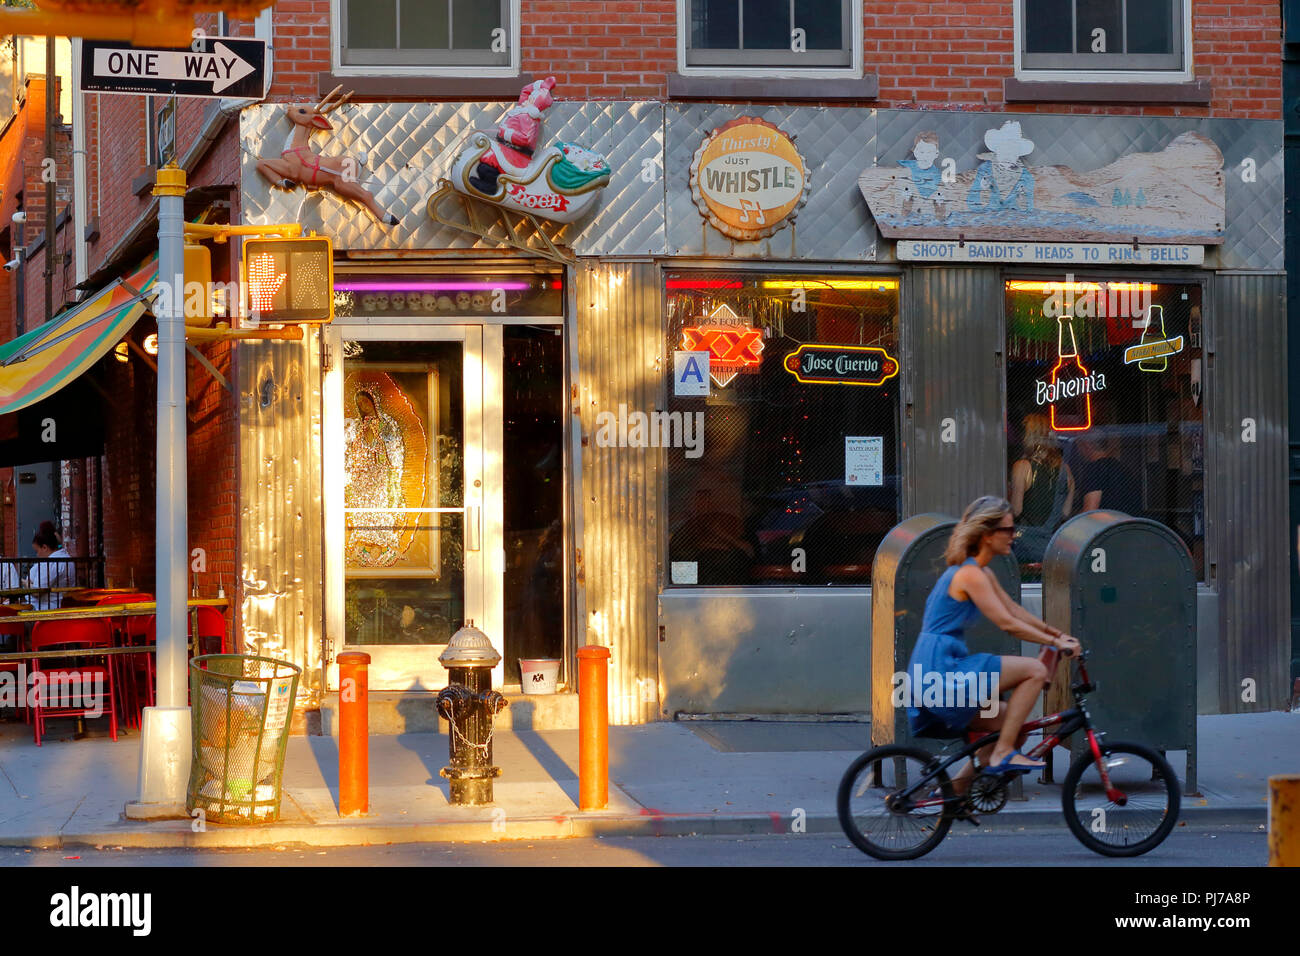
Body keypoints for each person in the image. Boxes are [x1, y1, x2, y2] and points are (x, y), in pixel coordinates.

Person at [907, 496, 1081, 793]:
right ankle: (1000, 754)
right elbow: (1007, 624)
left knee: (1012, 731)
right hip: (942, 670)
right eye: (1009, 530)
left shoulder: (981, 572)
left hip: (940, 666)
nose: (1014, 536)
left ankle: (950, 796)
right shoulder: (970, 574)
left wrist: (1058, 635)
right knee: (1035, 671)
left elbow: (1016, 612)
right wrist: (1055, 642)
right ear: (987, 535)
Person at [1009, 414, 1073, 564]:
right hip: (1050, 546)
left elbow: (1016, 510)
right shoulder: (1066, 470)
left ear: (1029, 436)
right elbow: (1065, 513)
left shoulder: (1022, 466)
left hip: (1023, 546)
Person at [1077, 435, 1141, 515]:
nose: (1079, 451)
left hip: (1105, 525)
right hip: (1127, 524)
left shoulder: (1095, 469)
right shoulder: (1122, 468)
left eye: (1078, 446)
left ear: (1086, 445)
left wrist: (1069, 524)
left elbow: (1090, 511)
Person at [30, 521, 71, 610]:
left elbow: (37, 592)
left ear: (44, 547)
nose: (37, 555)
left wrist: (27, 584)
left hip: (45, 609)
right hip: (61, 606)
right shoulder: (67, 558)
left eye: (37, 551)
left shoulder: (49, 563)